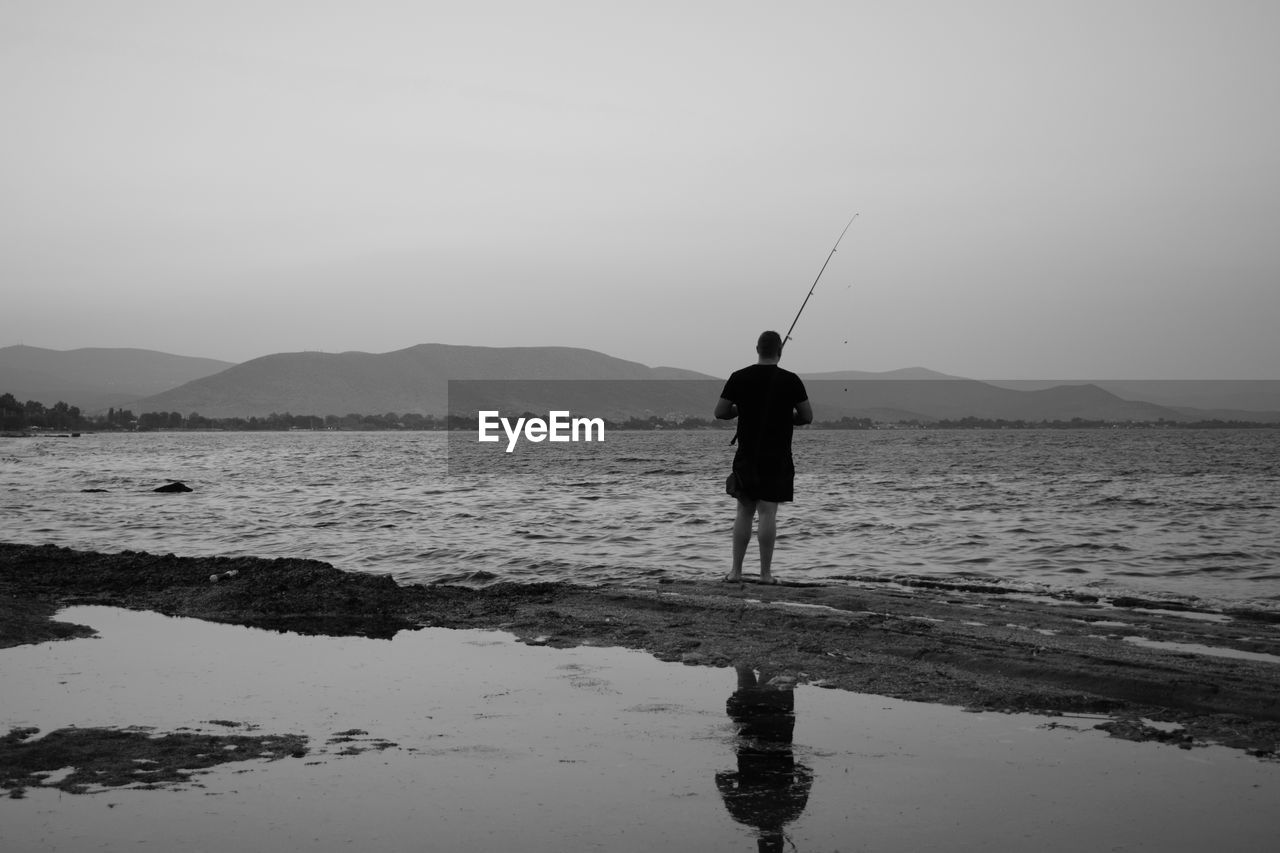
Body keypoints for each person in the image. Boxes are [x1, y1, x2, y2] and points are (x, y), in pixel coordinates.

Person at [714, 330, 812, 583]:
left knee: (744, 510)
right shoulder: (791, 380)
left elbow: (721, 412)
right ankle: (765, 575)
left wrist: (742, 409)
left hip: (747, 453)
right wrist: (784, 416)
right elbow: (806, 416)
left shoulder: (739, 377)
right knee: (768, 512)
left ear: (757, 349)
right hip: (778, 454)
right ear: (779, 351)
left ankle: (735, 572)